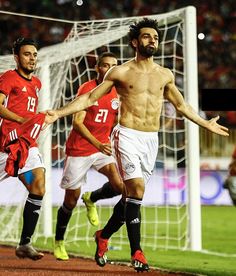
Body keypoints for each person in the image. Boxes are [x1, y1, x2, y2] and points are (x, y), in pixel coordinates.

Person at [45, 18, 229, 272]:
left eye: (155, 37)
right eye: (146, 36)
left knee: (131, 197)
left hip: (151, 140)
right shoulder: (120, 72)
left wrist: (204, 123)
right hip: (127, 135)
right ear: (135, 42)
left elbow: (181, 105)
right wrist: (59, 112)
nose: (152, 40)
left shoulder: (165, 74)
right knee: (137, 190)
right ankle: (137, 252)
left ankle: (103, 235)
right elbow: (89, 97)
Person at [53, 52, 124, 261]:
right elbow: (77, 122)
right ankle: (59, 241)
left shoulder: (117, 92)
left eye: (113, 66)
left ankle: (92, 198)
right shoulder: (87, 89)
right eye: (105, 65)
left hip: (102, 149)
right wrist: (97, 144)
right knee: (70, 200)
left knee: (121, 186)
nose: (109, 69)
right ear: (97, 68)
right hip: (80, 150)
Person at [0, 37, 45, 260]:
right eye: (27, 54)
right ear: (16, 57)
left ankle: (25, 243)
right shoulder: (8, 77)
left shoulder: (37, 83)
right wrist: (21, 120)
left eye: (34, 54)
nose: (32, 58)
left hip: (26, 146)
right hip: (5, 145)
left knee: (38, 184)